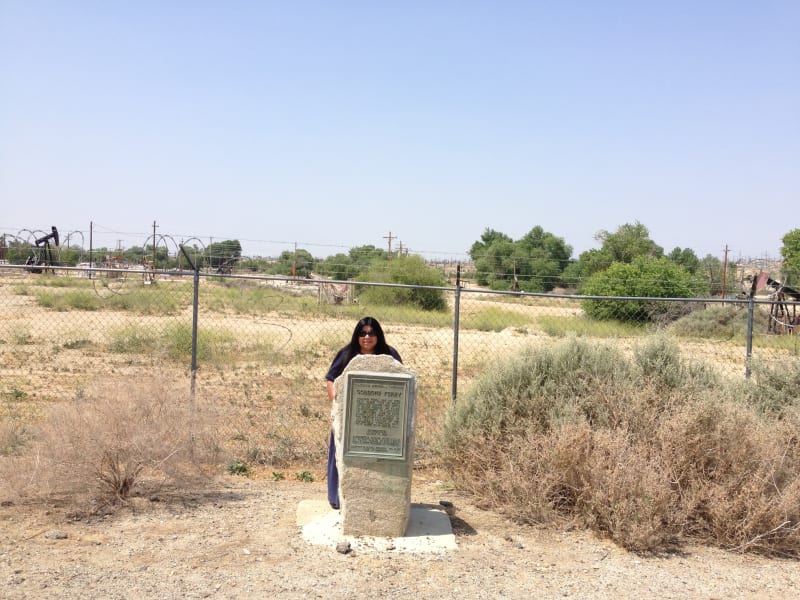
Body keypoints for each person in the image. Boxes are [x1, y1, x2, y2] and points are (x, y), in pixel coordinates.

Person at [324, 316, 402, 509]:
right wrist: (336, 401)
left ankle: (381, 499)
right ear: (357, 336)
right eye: (363, 333)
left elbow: (402, 380)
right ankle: (338, 498)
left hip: (381, 420)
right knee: (341, 454)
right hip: (350, 418)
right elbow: (331, 378)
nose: (367, 337)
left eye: (371, 333)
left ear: (378, 335)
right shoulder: (346, 354)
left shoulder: (389, 354)